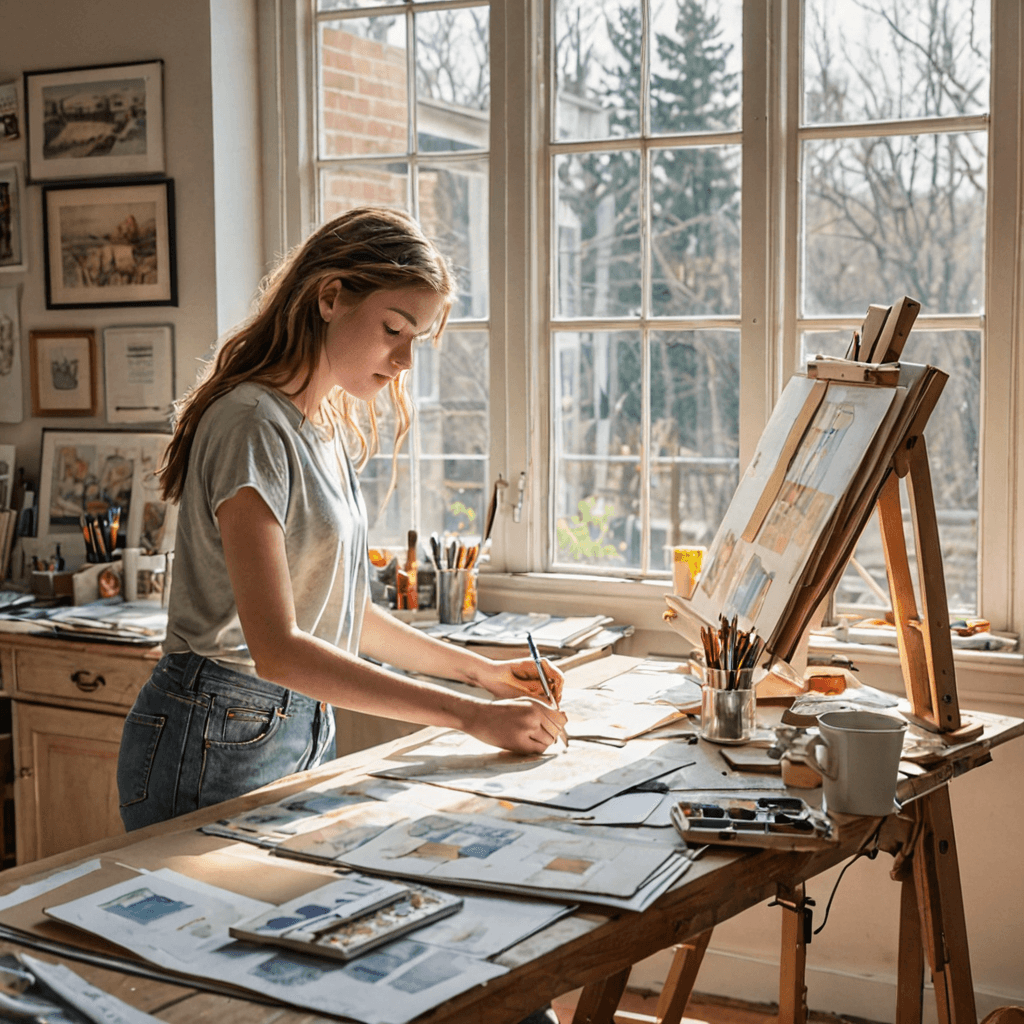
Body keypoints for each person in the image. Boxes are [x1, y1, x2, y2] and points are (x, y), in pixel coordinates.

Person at [116, 206, 566, 834]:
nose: (406, 360)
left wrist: (481, 674)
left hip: (292, 720)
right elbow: (277, 649)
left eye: (416, 340)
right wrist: (468, 716)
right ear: (330, 297)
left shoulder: (321, 427)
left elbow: (341, 614)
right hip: (214, 729)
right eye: (394, 330)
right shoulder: (250, 423)